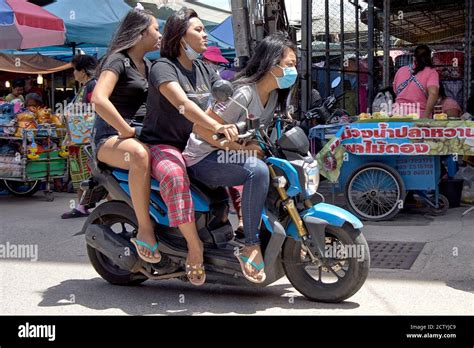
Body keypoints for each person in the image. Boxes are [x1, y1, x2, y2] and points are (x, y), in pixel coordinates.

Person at [183, 31, 298, 283]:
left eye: (295, 65)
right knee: (255, 171)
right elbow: (201, 128)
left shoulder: (275, 95)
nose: (294, 71)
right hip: (203, 157)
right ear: (271, 65)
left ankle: (258, 230)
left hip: (229, 155)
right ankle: (249, 245)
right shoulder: (244, 93)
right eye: (289, 65)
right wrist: (241, 148)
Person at [139, 8, 238, 286]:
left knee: (244, 161)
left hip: (196, 141)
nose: (205, 34)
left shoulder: (206, 67)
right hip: (163, 143)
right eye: (198, 30)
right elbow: (183, 104)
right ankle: (194, 247)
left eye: (204, 30)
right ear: (180, 36)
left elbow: (225, 90)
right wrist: (215, 126)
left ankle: (244, 234)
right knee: (174, 175)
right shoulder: (163, 67)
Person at [91, 5, 163, 263]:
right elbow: (99, 99)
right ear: (141, 32)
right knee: (139, 155)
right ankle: (145, 230)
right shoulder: (118, 60)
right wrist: (125, 129)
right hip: (112, 137)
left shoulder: (150, 64)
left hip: (142, 133)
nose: (160, 35)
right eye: (156, 29)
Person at [61, 54, 98, 219]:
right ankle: (82, 205)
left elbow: (95, 109)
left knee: (87, 172)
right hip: (78, 140)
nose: (73, 74)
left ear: (83, 71)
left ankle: (84, 205)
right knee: (79, 172)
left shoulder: (92, 86)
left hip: (85, 140)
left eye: (75, 70)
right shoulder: (85, 87)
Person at [393, 45, 439, 118]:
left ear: (414, 58)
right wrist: (425, 117)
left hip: (398, 114)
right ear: (430, 58)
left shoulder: (401, 70)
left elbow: (395, 91)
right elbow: (433, 93)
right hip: (418, 116)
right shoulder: (431, 72)